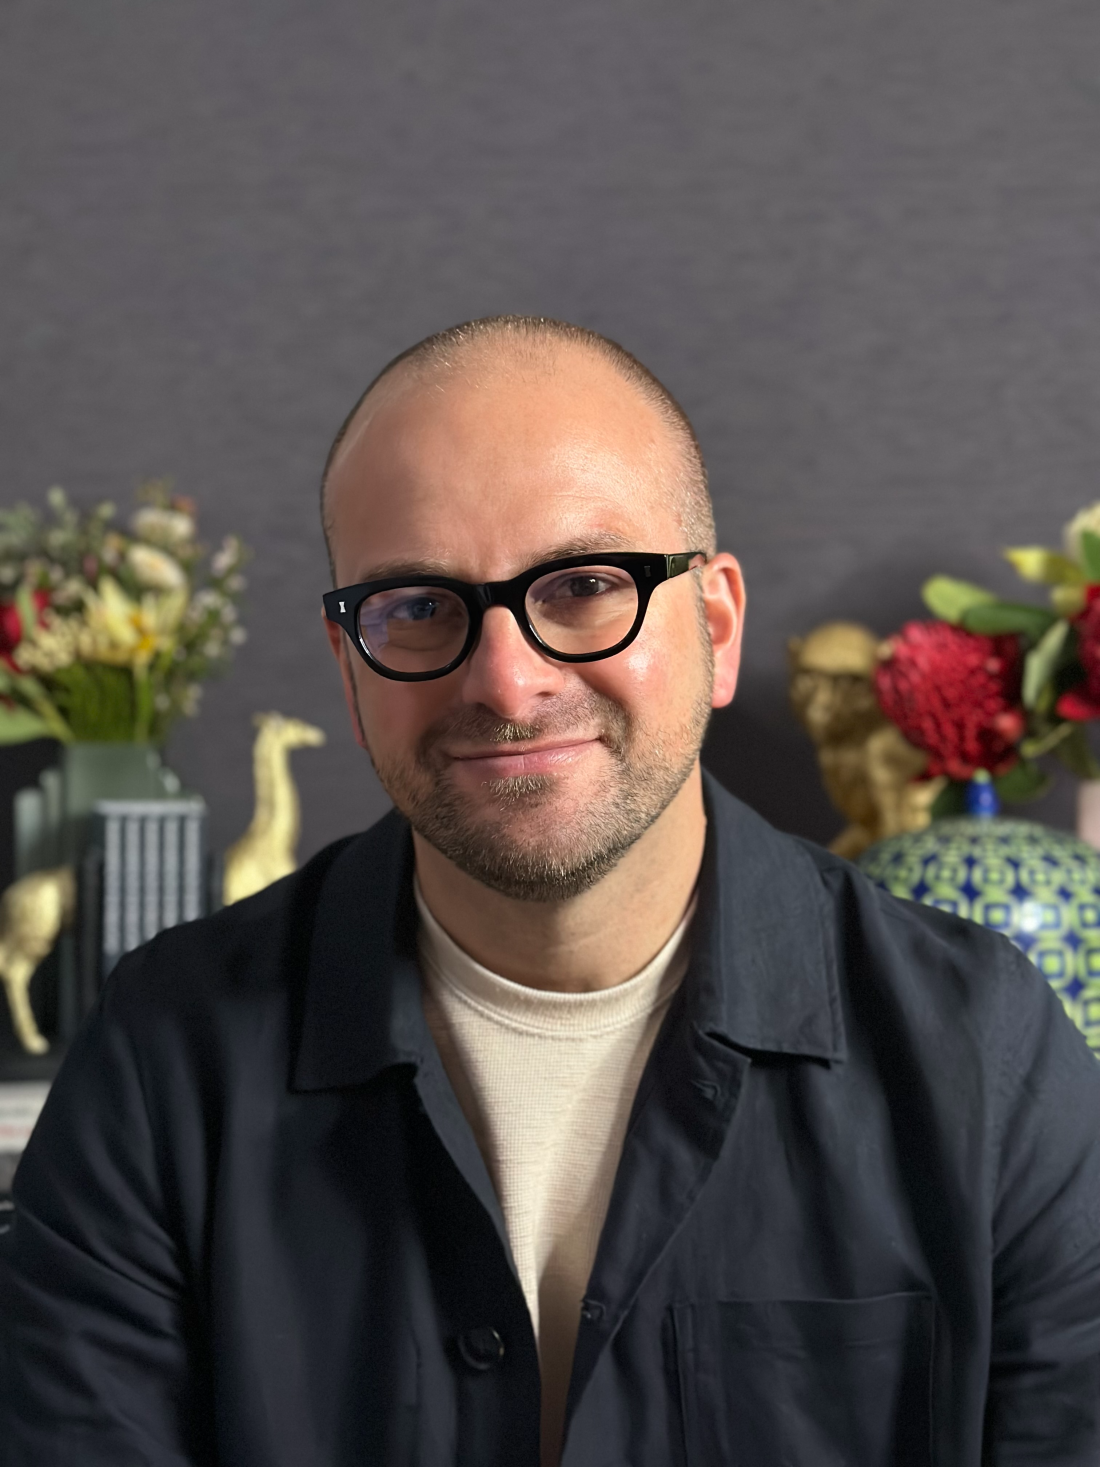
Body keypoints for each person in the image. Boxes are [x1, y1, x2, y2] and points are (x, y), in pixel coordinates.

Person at [2, 316, 1098, 1467]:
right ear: (348, 670)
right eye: (417, 606)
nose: (507, 682)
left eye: (583, 585)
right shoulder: (164, 1063)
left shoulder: (983, 1056)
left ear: (715, 627)